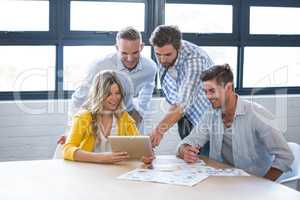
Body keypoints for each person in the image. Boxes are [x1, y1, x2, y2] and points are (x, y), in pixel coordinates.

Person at [177, 64, 294, 181]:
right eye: (205, 91)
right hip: (225, 180)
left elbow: (285, 156)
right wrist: (185, 151)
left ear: (228, 87)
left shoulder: (257, 114)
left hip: (254, 183)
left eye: (212, 91)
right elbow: (188, 142)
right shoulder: (210, 114)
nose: (208, 96)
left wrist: (264, 183)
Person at [57, 26, 157, 145]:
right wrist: (71, 131)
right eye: (124, 53)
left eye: (135, 53)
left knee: (137, 153)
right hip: (99, 116)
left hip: (127, 114)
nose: (130, 59)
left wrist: (140, 112)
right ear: (116, 48)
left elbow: (148, 89)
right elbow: (78, 99)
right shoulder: (99, 66)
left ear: (141, 47)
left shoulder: (150, 67)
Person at [63, 70, 153, 164]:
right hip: (89, 171)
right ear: (99, 95)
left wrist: (144, 157)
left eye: (117, 93)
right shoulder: (83, 117)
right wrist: (101, 158)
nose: (114, 98)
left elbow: (139, 148)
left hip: (116, 171)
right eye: (109, 94)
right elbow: (67, 149)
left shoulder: (124, 118)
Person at [149, 25, 214, 147]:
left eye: (167, 55)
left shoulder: (195, 60)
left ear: (178, 47)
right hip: (185, 117)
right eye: (158, 54)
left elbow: (182, 104)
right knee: (190, 160)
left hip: (206, 121)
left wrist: (158, 131)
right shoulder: (164, 52)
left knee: (207, 160)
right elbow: (177, 98)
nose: (162, 60)